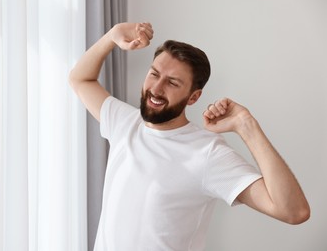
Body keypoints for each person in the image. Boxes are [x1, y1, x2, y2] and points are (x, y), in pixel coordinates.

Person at [69, 22, 310, 251]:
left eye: (172, 82)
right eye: (154, 74)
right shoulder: (124, 123)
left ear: (193, 97)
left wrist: (247, 126)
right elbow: (80, 79)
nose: (156, 88)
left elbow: (293, 211)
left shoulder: (207, 153)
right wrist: (113, 35)